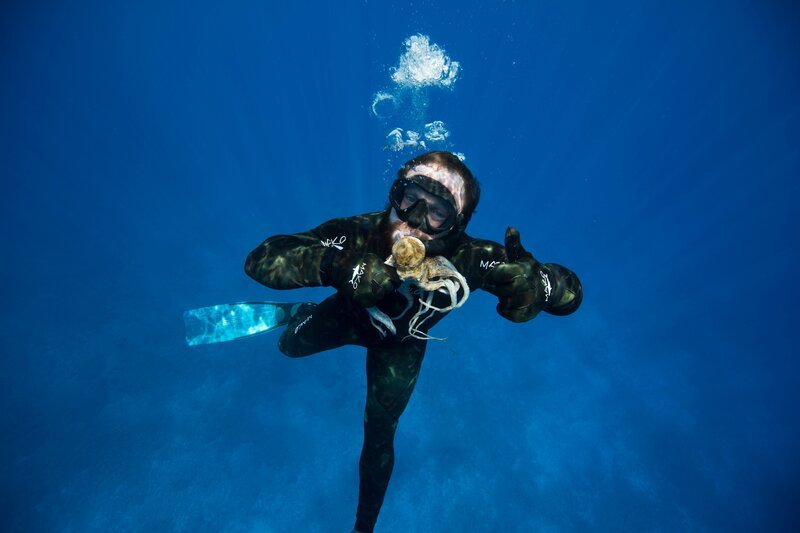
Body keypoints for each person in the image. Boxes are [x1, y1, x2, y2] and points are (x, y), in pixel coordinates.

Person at [244, 151, 582, 532]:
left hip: (401, 346)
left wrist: (539, 285)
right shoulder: (358, 232)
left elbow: (570, 294)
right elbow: (262, 258)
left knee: (379, 435)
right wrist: (334, 265)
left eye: (438, 211)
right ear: (395, 193)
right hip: (345, 316)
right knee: (288, 347)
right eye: (411, 197)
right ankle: (299, 313)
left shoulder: (471, 257)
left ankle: (362, 529)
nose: (415, 221)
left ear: (458, 225)